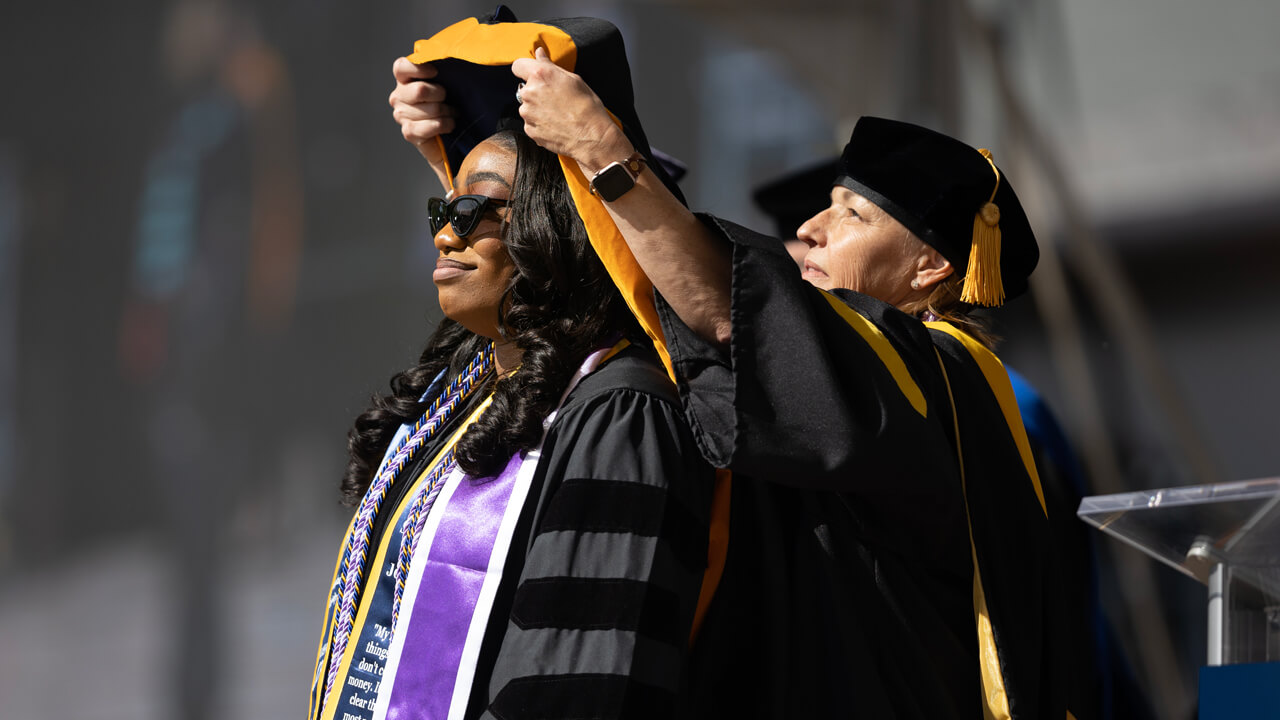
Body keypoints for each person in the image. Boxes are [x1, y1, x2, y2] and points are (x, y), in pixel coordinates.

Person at [496, 52, 1067, 719]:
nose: (808, 229)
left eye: (851, 216)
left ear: (930, 266)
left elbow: (721, 311)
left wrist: (600, 147)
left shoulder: (925, 372)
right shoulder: (945, 380)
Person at [308, 19, 716, 718]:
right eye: (445, 204)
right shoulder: (468, 392)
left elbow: (578, 686)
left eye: (475, 209)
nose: (444, 230)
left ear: (554, 228)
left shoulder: (618, 413)